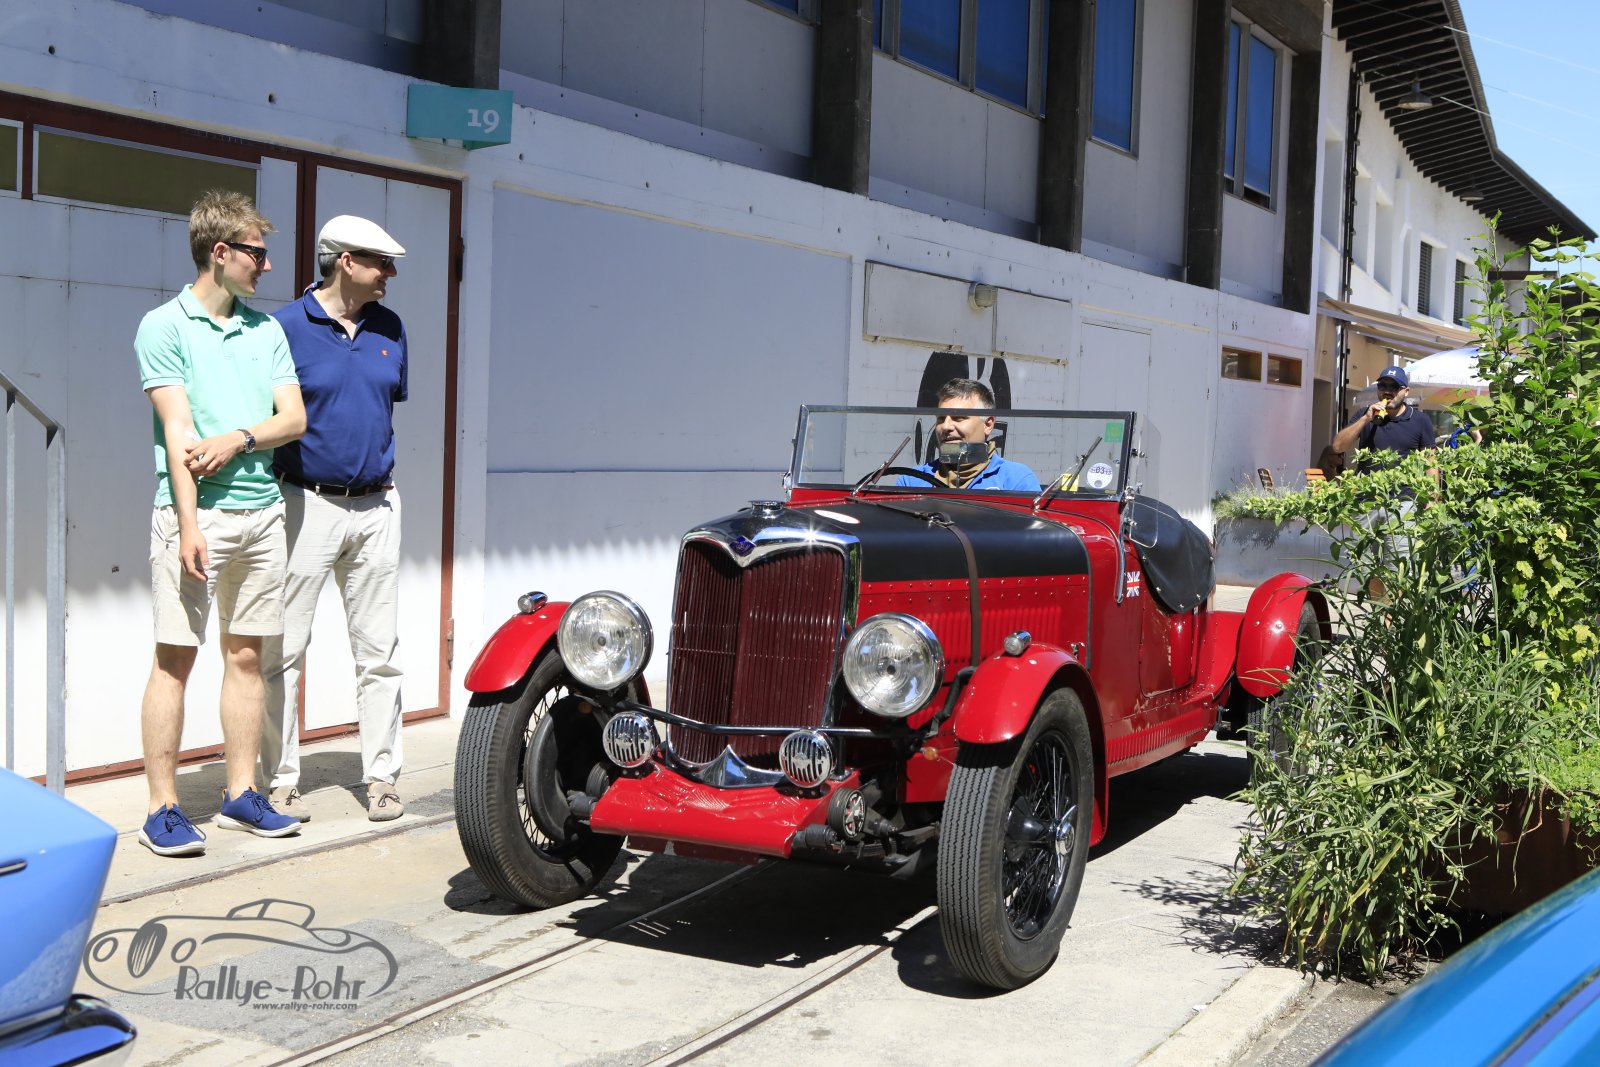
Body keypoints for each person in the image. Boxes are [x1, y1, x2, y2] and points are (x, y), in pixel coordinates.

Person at [135, 189, 307, 856]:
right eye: (257, 254)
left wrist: (239, 437)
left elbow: (293, 418)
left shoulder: (266, 331)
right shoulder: (164, 327)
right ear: (220, 252)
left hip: (262, 513)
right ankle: (162, 808)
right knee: (174, 658)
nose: (267, 266)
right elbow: (178, 432)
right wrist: (188, 525)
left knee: (247, 656)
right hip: (197, 513)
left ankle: (241, 794)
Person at [261, 215, 409, 823]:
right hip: (306, 503)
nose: (390, 273)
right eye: (380, 261)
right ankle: (279, 782)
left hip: (378, 505)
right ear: (345, 261)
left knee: (380, 653)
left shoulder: (391, 328)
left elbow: (381, 406)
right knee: (283, 650)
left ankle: (383, 779)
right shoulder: (283, 328)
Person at [897, 378, 1041, 491]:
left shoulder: (1016, 481)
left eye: (958, 418)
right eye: (941, 418)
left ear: (988, 424)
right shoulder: (912, 480)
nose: (946, 426)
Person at [1331, 364, 1436, 468]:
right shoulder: (1364, 414)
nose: (1387, 391)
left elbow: (1430, 465)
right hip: (1368, 480)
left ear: (1406, 391)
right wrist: (1365, 419)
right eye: (1382, 386)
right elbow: (1338, 447)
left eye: (1394, 387)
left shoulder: (1420, 420)